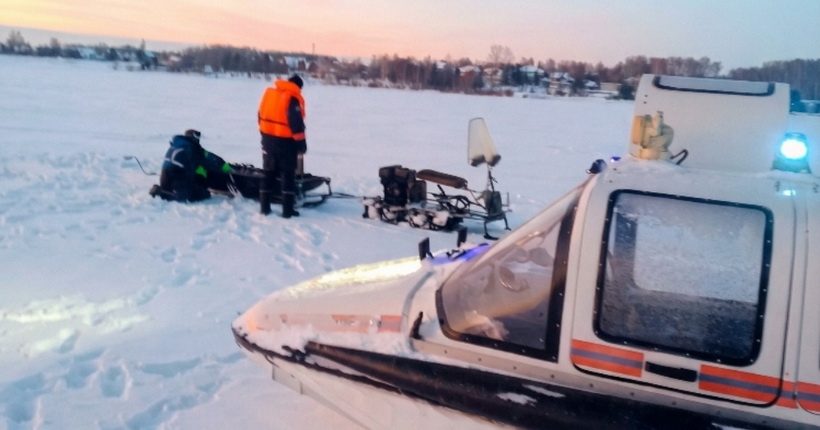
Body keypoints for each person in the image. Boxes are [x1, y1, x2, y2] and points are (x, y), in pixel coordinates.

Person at [257, 74, 307, 217]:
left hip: (267, 140)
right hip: (286, 143)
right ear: (298, 86)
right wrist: (301, 144)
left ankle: (264, 208)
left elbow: (259, 115)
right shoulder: (291, 98)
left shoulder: (270, 95)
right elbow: (296, 124)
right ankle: (287, 210)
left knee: (268, 173)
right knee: (288, 175)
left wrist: (264, 135)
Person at [149, 129, 232, 202]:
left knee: (177, 189)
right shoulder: (192, 148)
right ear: (193, 138)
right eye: (197, 138)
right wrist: (225, 167)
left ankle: (163, 190)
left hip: (164, 176)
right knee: (200, 195)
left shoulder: (177, 144)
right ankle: (161, 193)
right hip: (177, 175)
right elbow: (209, 159)